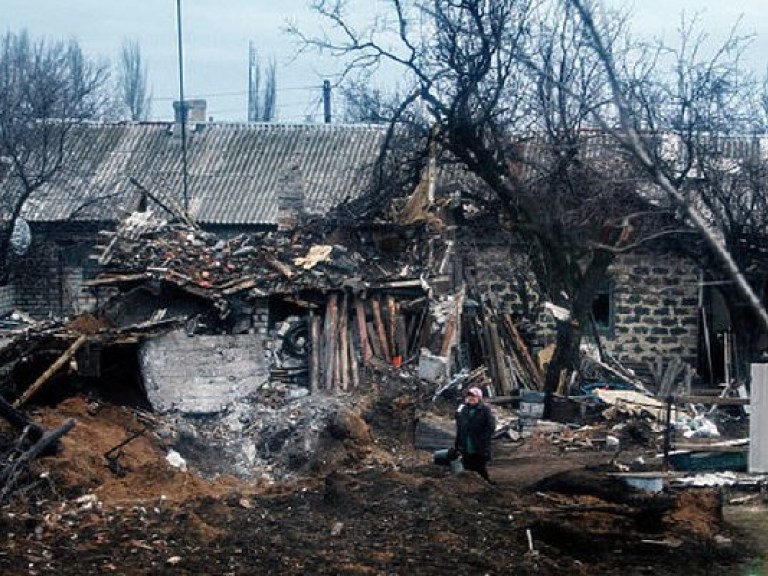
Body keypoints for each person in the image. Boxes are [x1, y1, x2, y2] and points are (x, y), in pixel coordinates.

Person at [454, 386, 496, 483]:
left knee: (480, 467)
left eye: (474, 396)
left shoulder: (484, 410)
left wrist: (483, 438)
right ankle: (470, 487)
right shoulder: (463, 410)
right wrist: (457, 444)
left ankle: (486, 486)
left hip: (479, 444)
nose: (471, 398)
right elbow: (459, 427)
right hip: (466, 443)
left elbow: (490, 427)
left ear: (479, 398)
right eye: (469, 396)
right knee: (467, 467)